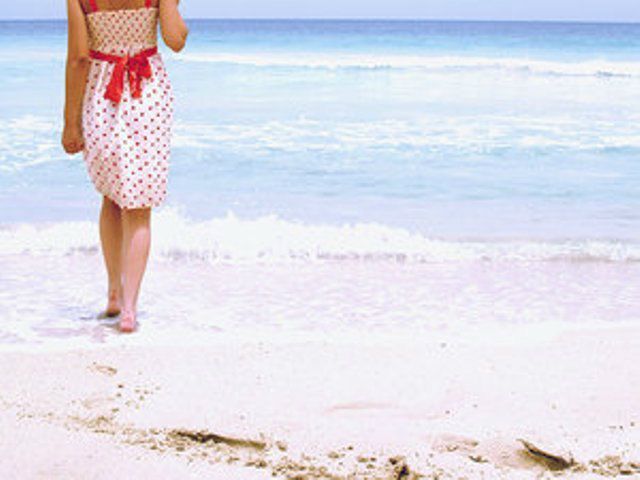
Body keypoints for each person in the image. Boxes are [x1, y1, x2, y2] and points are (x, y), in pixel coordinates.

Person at [61, 0, 188, 333]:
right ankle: (130, 310)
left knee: (111, 196)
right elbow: (176, 40)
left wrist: (70, 122)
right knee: (139, 206)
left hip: (100, 91)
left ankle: (114, 294)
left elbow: (78, 58)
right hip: (147, 91)